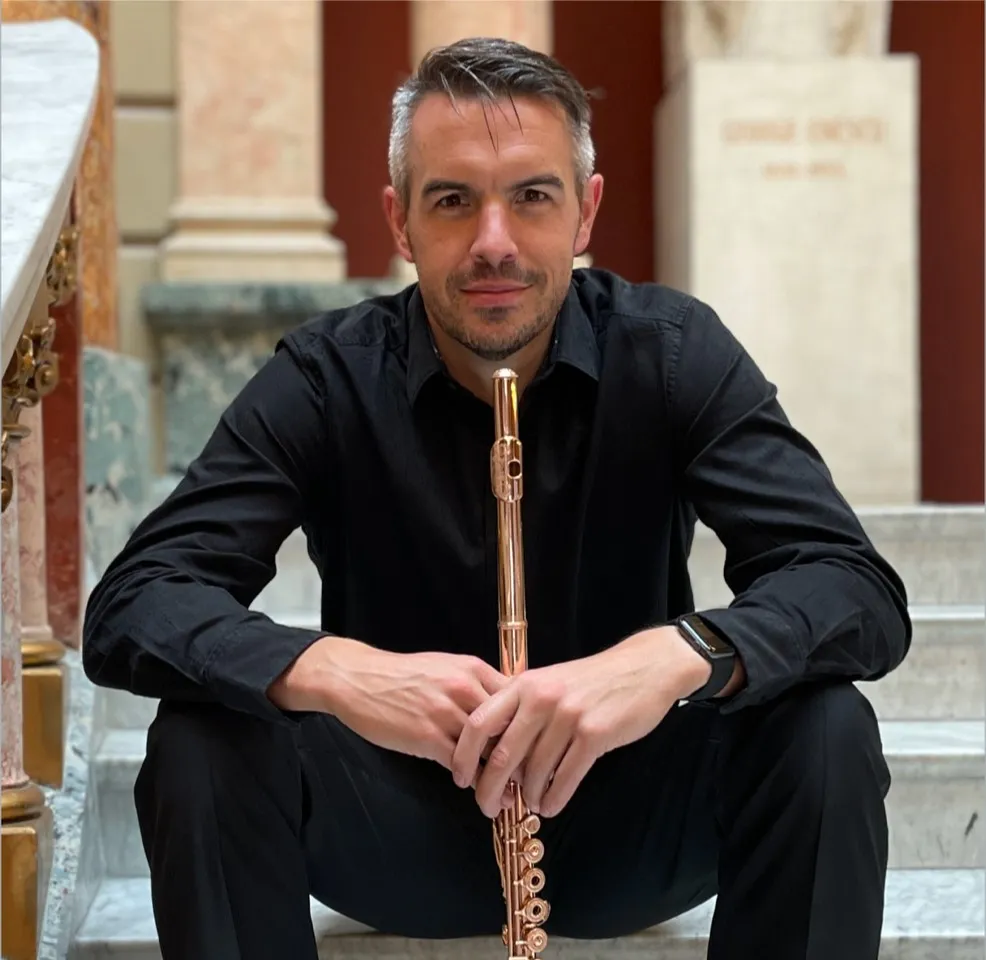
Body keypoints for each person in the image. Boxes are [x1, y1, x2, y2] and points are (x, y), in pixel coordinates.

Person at [82, 36, 911, 960]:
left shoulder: (673, 352)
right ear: (399, 221)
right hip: (392, 834)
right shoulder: (325, 377)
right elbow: (134, 604)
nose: (493, 243)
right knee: (201, 738)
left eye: (532, 196)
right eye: (452, 201)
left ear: (585, 211)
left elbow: (854, 589)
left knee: (827, 728)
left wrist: (681, 654)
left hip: (632, 833)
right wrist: (338, 673)